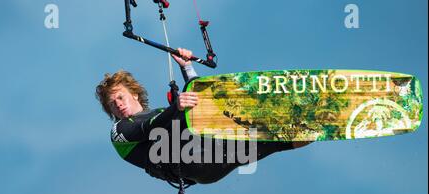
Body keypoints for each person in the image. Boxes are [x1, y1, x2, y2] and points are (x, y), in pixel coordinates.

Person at [95, 48, 310, 186]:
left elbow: (201, 104)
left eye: (120, 97)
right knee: (190, 113)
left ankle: (311, 129)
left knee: (270, 141)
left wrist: (187, 67)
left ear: (134, 93)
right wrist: (176, 107)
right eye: (112, 105)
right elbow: (146, 129)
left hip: (211, 159)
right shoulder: (119, 132)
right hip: (188, 162)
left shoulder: (162, 113)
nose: (118, 105)